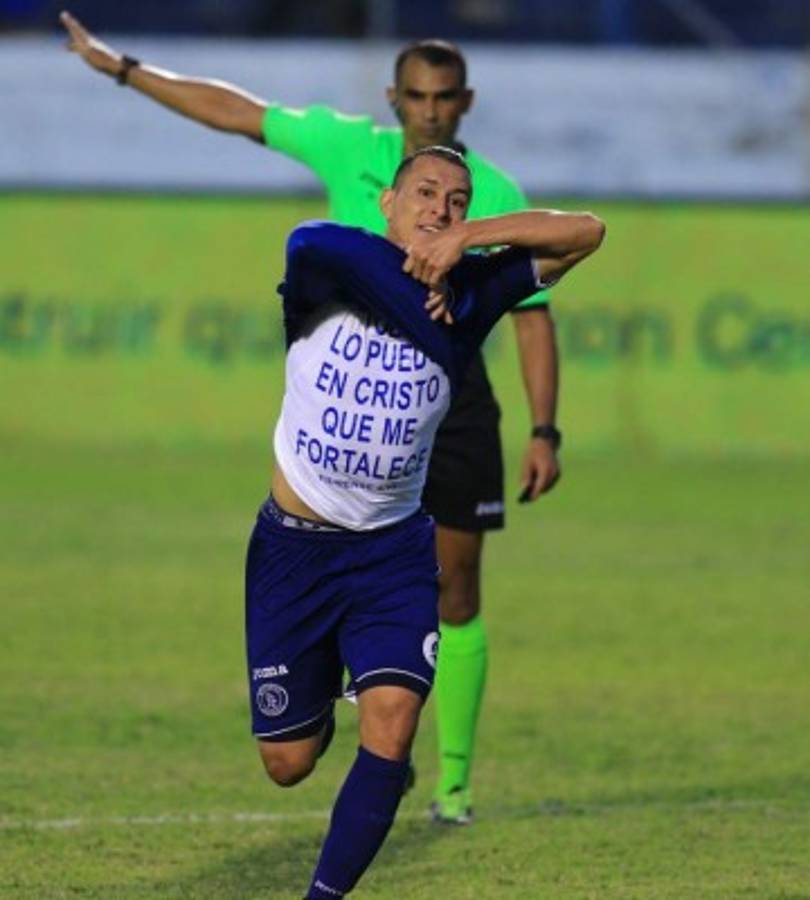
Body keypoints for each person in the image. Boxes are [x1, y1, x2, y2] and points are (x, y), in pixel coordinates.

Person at [61, 11, 563, 824]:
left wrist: (544, 427)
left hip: (453, 394)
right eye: (417, 96)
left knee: (458, 583)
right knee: (341, 549)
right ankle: (337, 690)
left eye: (444, 99)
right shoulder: (347, 148)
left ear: (464, 102)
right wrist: (123, 68)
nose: (430, 111)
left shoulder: (491, 192)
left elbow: (533, 311)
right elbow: (235, 111)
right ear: (393, 97)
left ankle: (455, 782)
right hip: (355, 392)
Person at [249, 146, 603, 899]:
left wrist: (466, 247)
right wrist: (416, 294)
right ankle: (328, 703)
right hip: (294, 549)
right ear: (388, 202)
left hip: (392, 555)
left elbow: (586, 231)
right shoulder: (330, 265)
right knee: (288, 763)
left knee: (396, 725)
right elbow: (306, 240)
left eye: (457, 200)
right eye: (426, 193)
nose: (439, 208)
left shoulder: (476, 289)